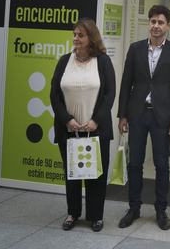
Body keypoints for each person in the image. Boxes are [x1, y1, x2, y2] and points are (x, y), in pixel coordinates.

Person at [117, 5, 170, 230]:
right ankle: (134, 208)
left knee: (162, 164)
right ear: (149, 24)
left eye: (160, 22)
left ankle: (160, 210)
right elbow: (126, 82)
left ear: (168, 25)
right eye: (153, 22)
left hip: (163, 116)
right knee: (134, 163)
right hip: (137, 114)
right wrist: (122, 115)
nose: (156, 26)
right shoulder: (135, 49)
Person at [50, 18, 116, 233]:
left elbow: (109, 94)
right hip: (69, 129)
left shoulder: (103, 62)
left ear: (91, 39)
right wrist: (66, 119)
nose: (76, 38)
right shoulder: (64, 61)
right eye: (74, 34)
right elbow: (54, 94)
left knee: (96, 174)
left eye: (81, 35)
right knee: (72, 173)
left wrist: (95, 120)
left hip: (95, 129)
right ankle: (73, 213)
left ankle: (96, 216)